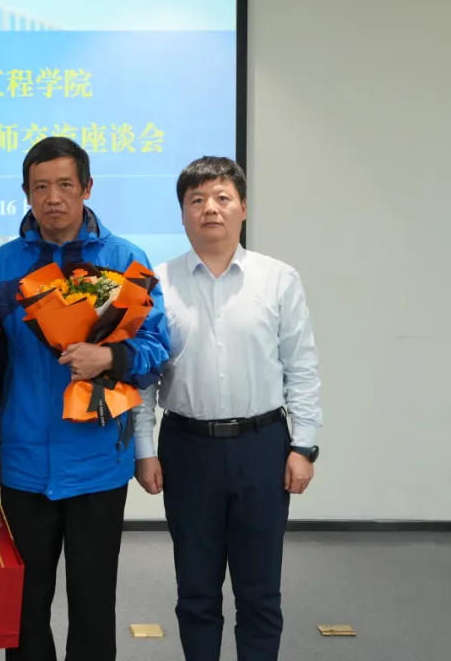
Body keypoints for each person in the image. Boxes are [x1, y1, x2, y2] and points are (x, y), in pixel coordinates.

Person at [0, 136, 170, 661]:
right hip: (23, 460)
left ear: (87, 187)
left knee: (93, 602)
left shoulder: (125, 259)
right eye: (40, 187)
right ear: (26, 194)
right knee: (24, 607)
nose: (52, 198)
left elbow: (156, 347)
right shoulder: (4, 265)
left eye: (64, 185)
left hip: (98, 459)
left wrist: (111, 357)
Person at [133, 156, 323, 661]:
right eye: (196, 200)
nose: (210, 209)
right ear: (182, 214)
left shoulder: (278, 279)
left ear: (243, 207)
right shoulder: (157, 283)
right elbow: (144, 377)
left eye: (222, 198)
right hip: (186, 448)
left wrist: (304, 445)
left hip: (263, 446)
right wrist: (143, 450)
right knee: (195, 590)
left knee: (260, 592)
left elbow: (301, 367)